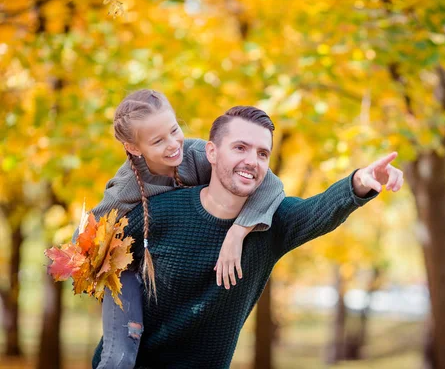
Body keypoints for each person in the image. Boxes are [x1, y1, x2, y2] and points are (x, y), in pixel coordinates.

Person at [92, 105, 404, 368]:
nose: (251, 161)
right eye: (240, 147)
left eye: (262, 153)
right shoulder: (158, 212)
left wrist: (361, 182)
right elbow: (98, 259)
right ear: (211, 152)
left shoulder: (273, 225)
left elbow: (320, 210)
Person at [83, 90, 285, 369]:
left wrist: (238, 232)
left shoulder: (197, 154)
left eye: (174, 129)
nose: (172, 144)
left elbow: (271, 185)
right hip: (128, 270)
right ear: (134, 148)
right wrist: (100, 268)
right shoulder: (128, 186)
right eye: (158, 140)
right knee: (119, 358)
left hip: (170, 266)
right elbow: (87, 236)